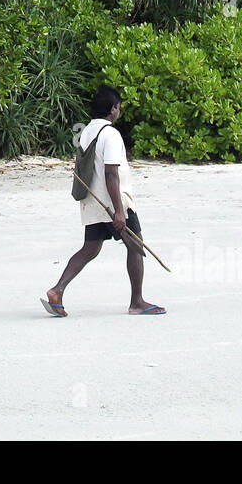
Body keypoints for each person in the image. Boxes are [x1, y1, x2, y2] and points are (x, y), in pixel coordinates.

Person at [43, 86, 165, 316]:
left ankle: (57, 291)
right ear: (112, 109)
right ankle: (137, 302)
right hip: (113, 202)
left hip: (92, 200)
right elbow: (111, 173)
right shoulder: (111, 134)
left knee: (90, 247)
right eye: (118, 106)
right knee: (136, 246)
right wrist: (119, 211)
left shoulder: (86, 131)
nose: (119, 110)